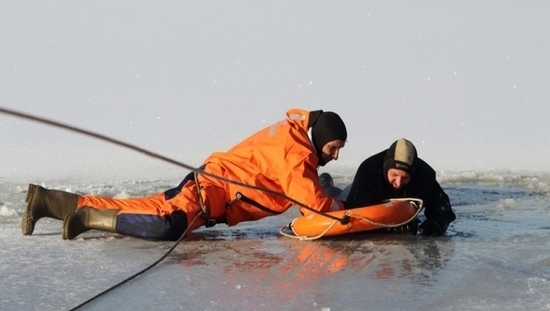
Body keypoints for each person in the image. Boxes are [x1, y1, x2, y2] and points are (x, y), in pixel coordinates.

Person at [21, 108, 348, 241]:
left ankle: (48, 201)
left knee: (143, 207)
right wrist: (348, 215)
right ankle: (87, 217)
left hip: (210, 184)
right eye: (333, 148)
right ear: (319, 138)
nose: (334, 156)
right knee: (169, 225)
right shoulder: (296, 155)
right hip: (209, 192)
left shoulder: (293, 135)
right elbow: (314, 206)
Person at [320, 138, 455, 236]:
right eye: (394, 175)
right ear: (386, 169)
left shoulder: (424, 175)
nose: (398, 182)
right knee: (335, 194)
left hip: (394, 205)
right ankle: (325, 184)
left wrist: (437, 224)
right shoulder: (369, 171)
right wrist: (390, 226)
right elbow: (353, 216)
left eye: (405, 177)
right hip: (358, 193)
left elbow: (444, 209)